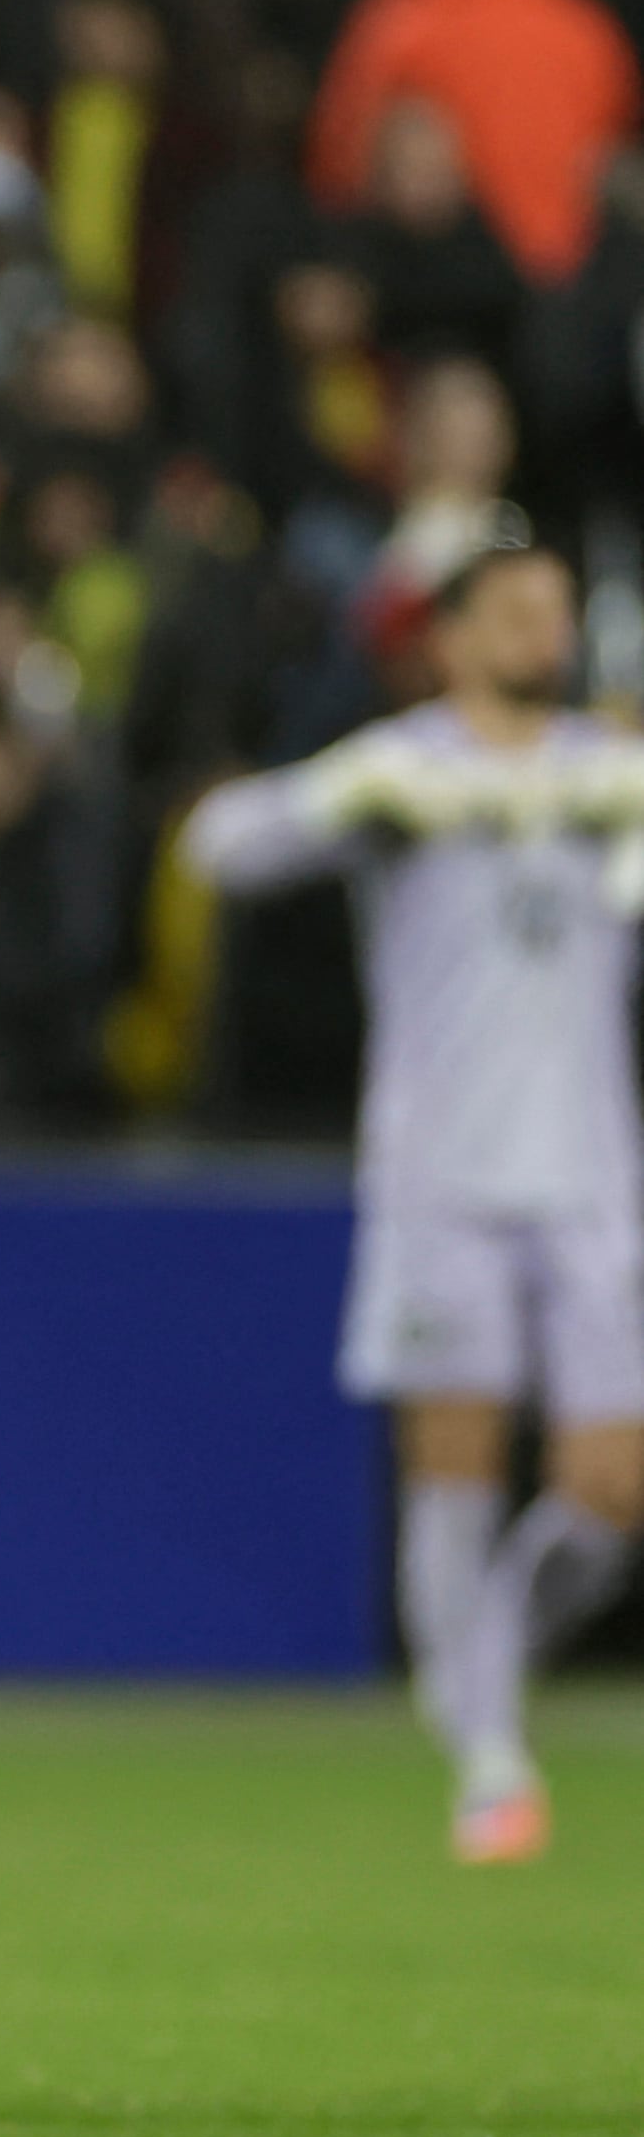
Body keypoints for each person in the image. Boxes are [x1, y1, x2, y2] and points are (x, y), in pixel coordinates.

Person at [183, 540, 644, 1863]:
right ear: (447, 637)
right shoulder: (405, 769)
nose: (542, 628)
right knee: (455, 1468)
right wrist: (349, 797)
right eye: (513, 609)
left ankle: (475, 1668)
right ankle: (493, 1762)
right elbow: (217, 848)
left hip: (593, 1177)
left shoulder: (608, 773)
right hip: (442, 1178)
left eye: (556, 606)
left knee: (611, 1496)